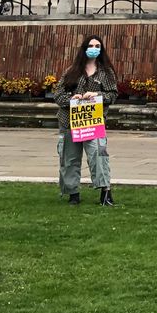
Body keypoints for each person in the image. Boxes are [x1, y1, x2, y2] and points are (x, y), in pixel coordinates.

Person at [53, 33, 118, 206]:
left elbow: (112, 95)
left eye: (98, 46)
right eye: (91, 46)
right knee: (69, 158)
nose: (94, 49)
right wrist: (73, 99)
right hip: (69, 122)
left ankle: (105, 191)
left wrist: (97, 95)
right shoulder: (71, 71)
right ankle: (72, 193)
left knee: (98, 155)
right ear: (84, 49)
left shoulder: (106, 73)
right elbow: (58, 95)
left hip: (94, 123)